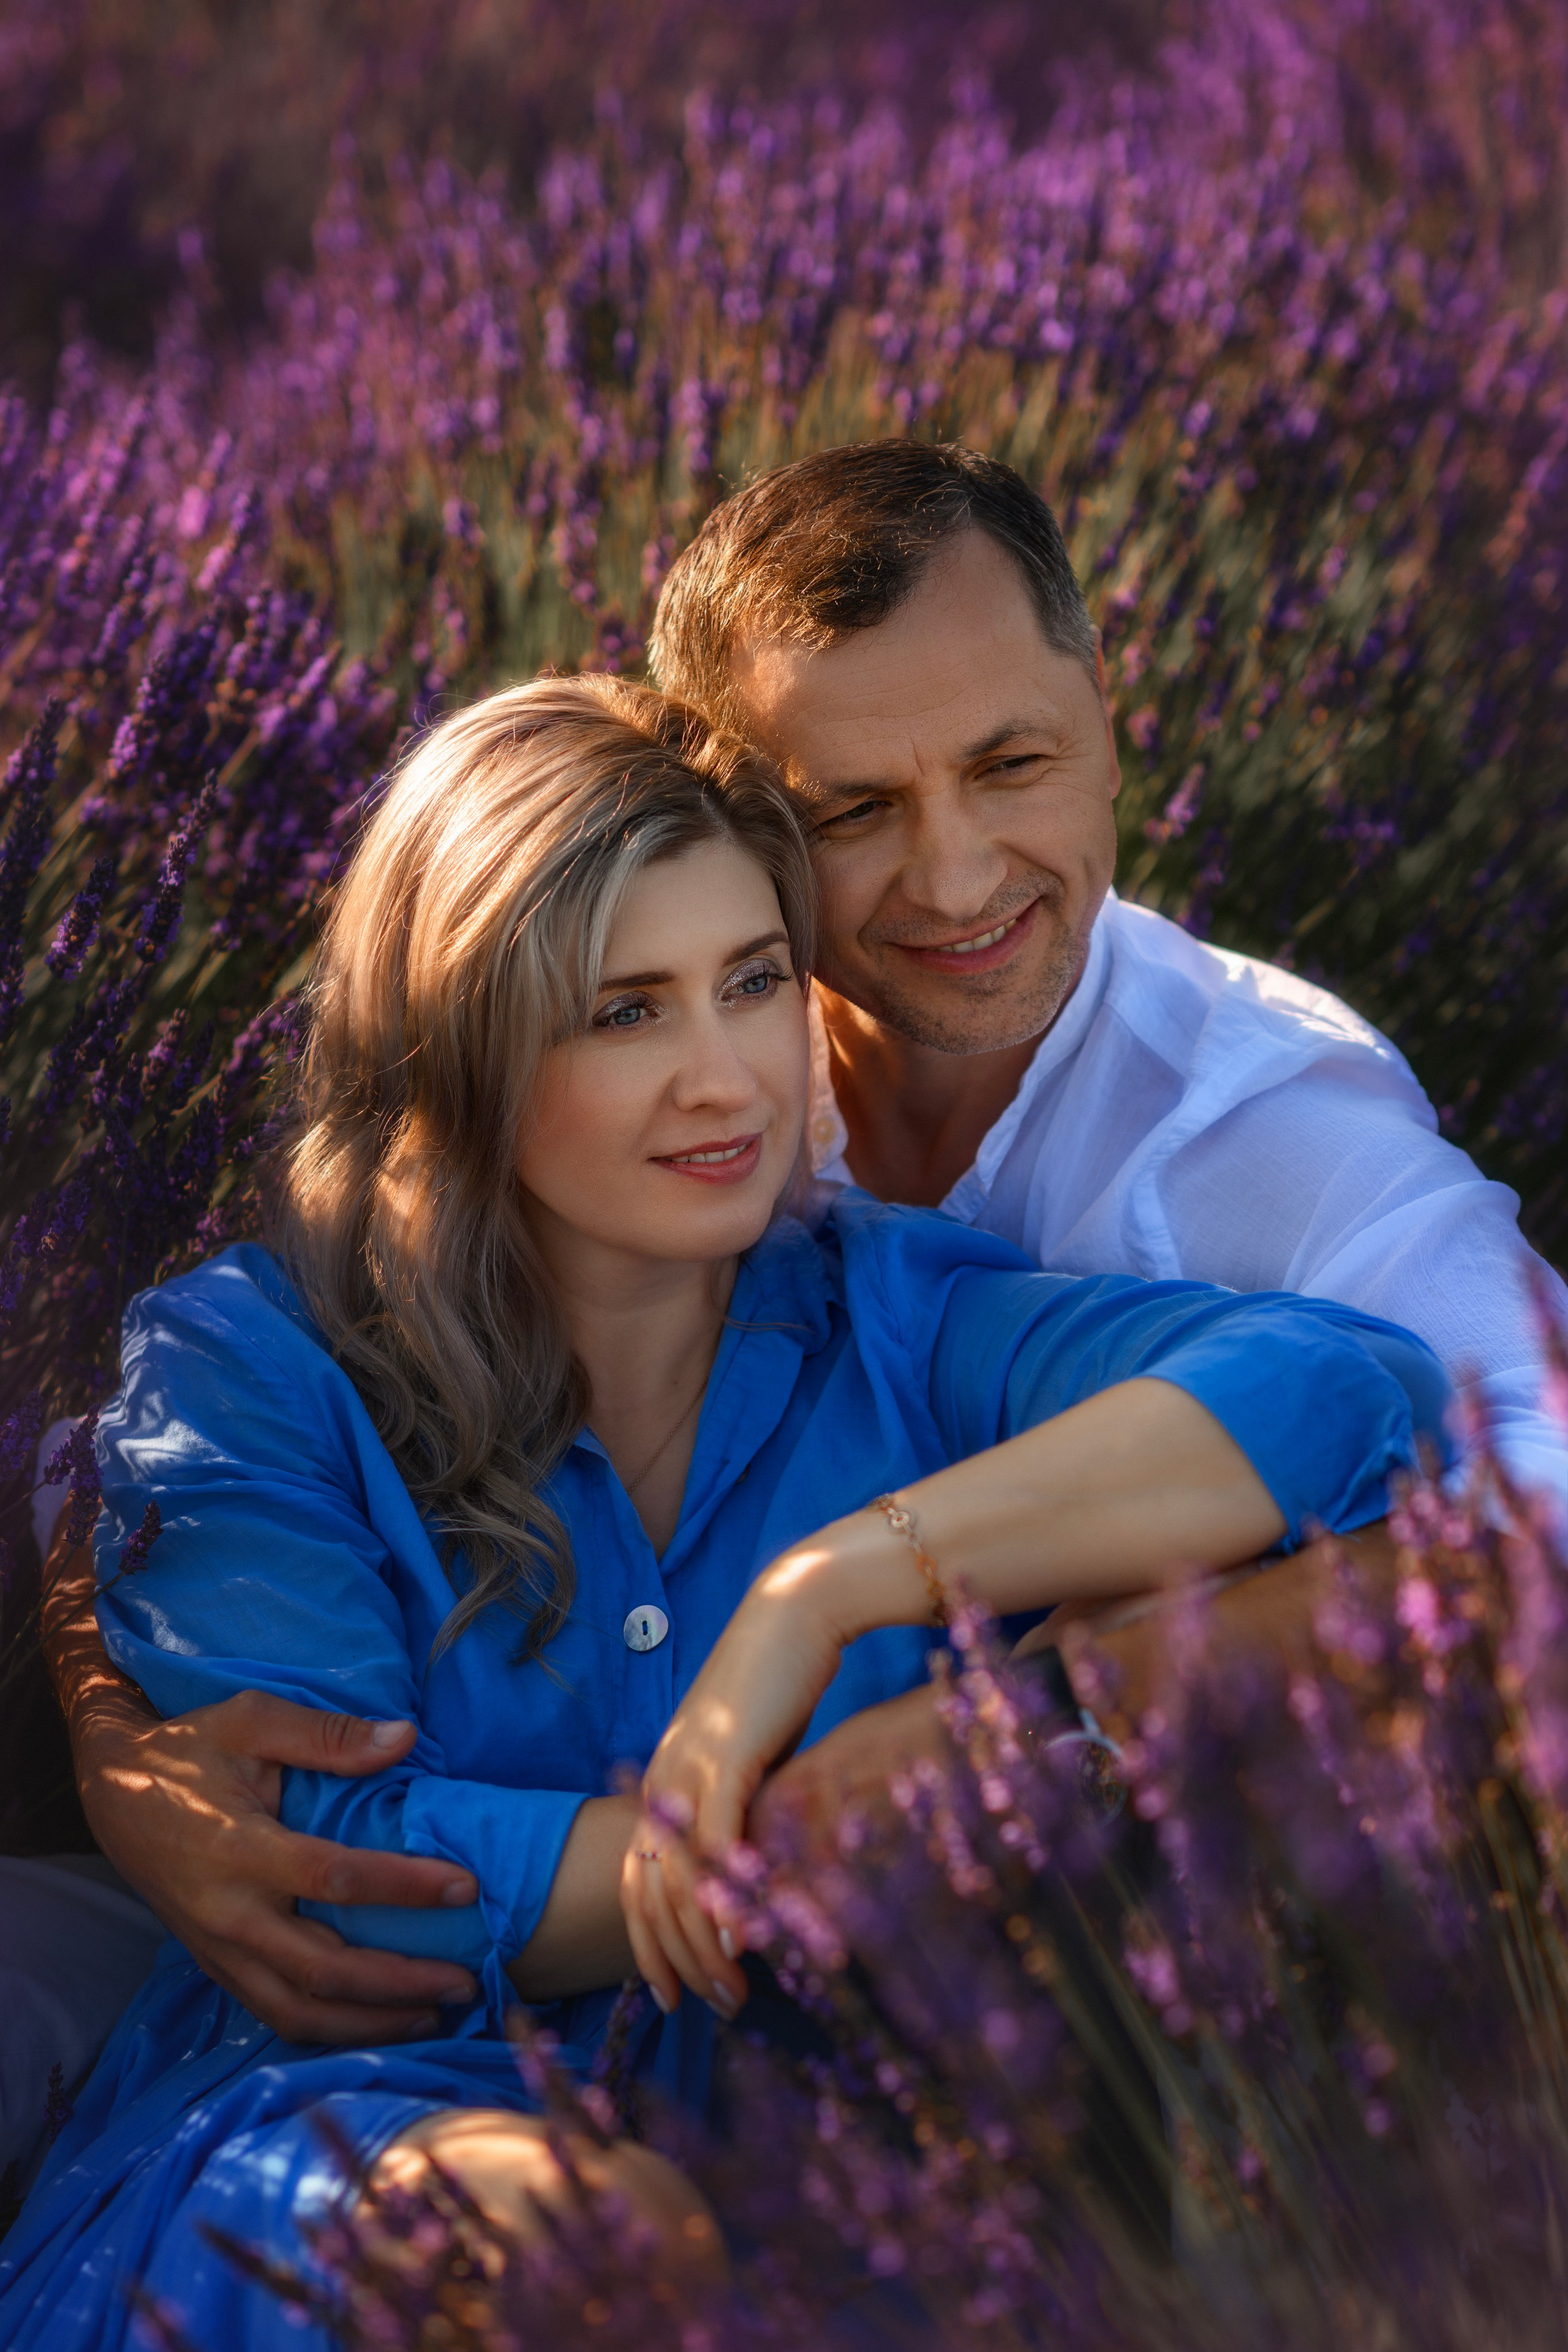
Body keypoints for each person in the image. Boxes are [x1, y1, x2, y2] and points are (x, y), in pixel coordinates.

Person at [36, 436, 1567, 2059]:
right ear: (735, 808)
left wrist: (998, 1701)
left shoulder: (1272, 1133)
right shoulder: (718, 1083)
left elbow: (1530, 1509)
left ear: (1111, 713)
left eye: (1011, 763)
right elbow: (198, 1436)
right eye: (856, 807)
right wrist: (120, 1746)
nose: (959, 871)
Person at [2, 676, 1448, 2348]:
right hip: (351, 2136)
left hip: (822, 2151)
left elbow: (1354, 1394)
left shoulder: (900, 1313)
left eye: (752, 983)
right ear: (461, 1046)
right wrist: (812, 1849)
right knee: (585, 2257)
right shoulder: (253, 1365)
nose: (726, 1079)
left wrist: (839, 1585)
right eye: (627, 1012)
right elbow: (329, 1874)